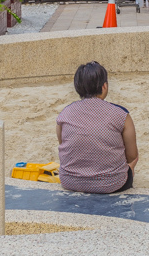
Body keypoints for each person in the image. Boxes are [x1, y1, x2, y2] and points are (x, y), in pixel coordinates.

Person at [56, 62, 139, 194]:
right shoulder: (121, 114)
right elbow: (132, 155)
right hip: (112, 184)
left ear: (78, 88)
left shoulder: (65, 113)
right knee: (134, 159)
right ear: (104, 86)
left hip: (69, 181)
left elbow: (62, 143)